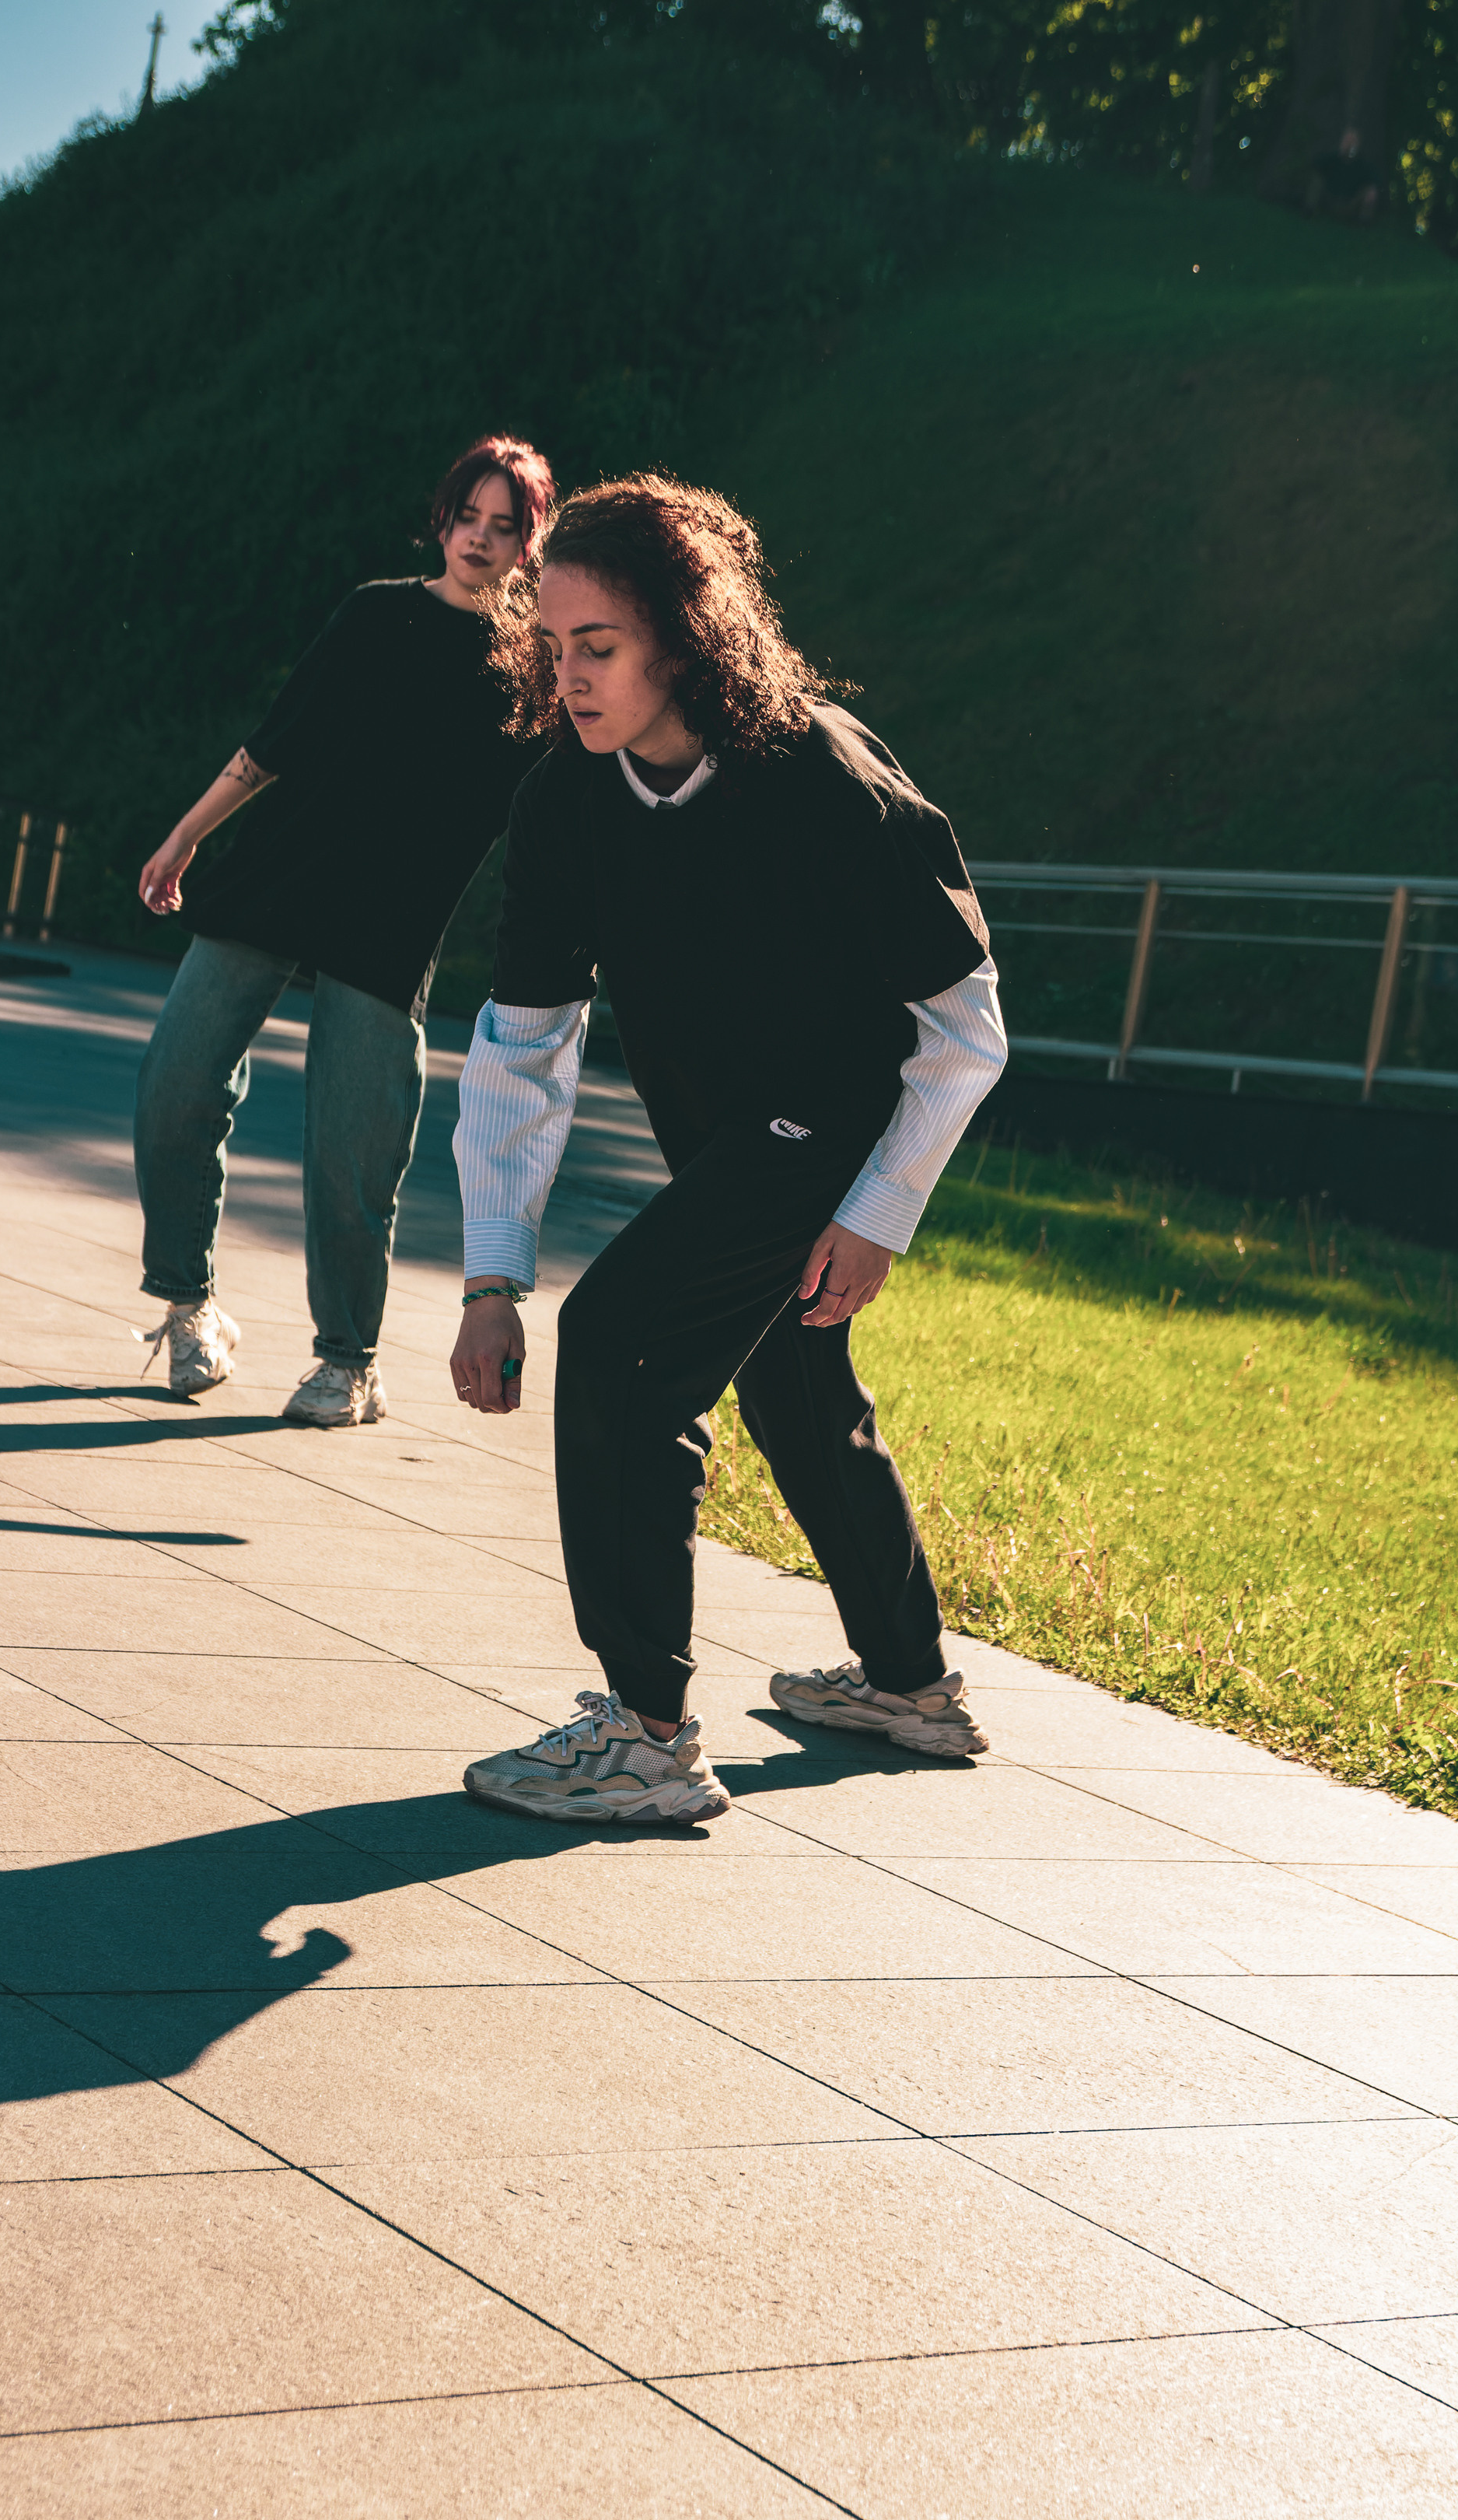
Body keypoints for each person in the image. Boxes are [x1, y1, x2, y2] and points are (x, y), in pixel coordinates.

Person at [448, 475, 1008, 1822]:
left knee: (629, 1342)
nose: (571, 677)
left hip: (842, 1116)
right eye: (554, 646)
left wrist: (878, 1213)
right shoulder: (566, 801)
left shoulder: (820, 778)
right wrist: (486, 1274)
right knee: (793, 1389)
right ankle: (911, 1685)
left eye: (601, 648)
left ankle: (645, 1732)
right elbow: (523, 1040)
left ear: (684, 639)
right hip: (728, 1142)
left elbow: (966, 1023)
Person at [131, 435, 555, 1422]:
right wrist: (184, 837)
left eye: (504, 527)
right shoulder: (375, 611)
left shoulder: (531, 668)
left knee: (354, 1154)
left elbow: (552, 809)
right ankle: (190, 1307)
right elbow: (275, 742)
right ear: (443, 516)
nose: (479, 540)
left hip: (390, 923)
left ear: (527, 545)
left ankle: (348, 1362)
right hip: (276, 880)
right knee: (176, 1085)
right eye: (468, 517)